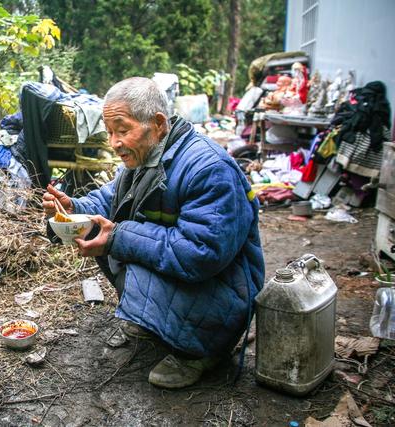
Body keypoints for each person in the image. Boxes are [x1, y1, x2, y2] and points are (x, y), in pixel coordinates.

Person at [42, 77, 265, 389]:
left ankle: (204, 350)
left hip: (225, 289)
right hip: (195, 281)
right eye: (109, 132)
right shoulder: (144, 158)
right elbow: (107, 201)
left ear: (158, 124)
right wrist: (72, 208)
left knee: (119, 240)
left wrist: (120, 237)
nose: (114, 142)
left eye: (122, 130)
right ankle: (161, 325)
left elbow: (201, 254)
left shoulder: (208, 169)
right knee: (106, 232)